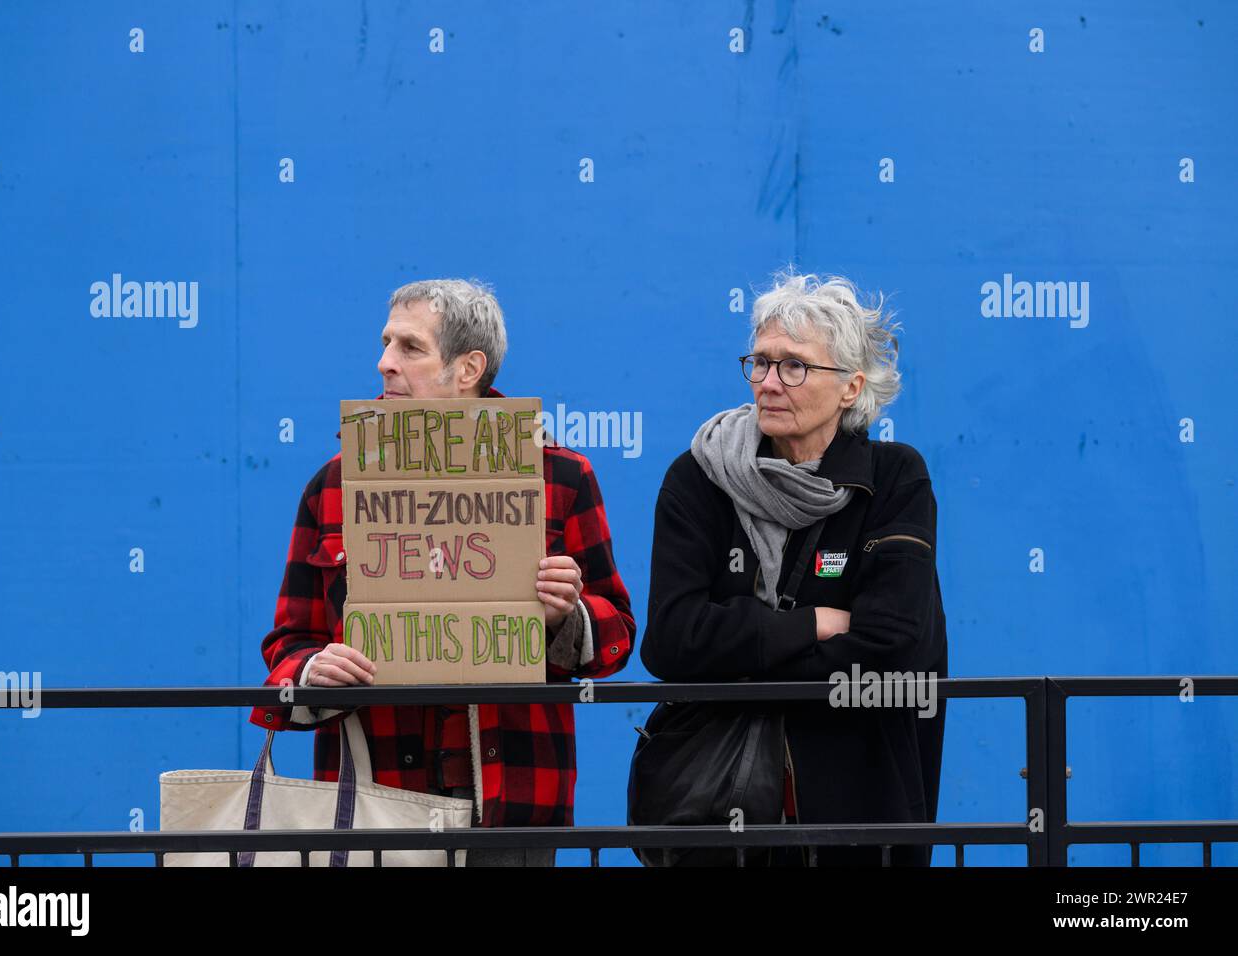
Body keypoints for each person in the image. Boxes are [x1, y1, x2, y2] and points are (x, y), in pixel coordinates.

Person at [249, 278, 635, 866]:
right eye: (385, 344)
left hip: (513, 814)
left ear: (468, 368)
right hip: (374, 810)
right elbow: (288, 641)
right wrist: (312, 668)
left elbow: (617, 635)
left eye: (410, 348)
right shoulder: (334, 485)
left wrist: (567, 613)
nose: (384, 365)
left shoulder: (560, 477)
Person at [640, 270, 948, 866]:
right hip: (716, 818)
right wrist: (812, 626)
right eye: (760, 362)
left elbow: (893, 644)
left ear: (850, 388)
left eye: (794, 365)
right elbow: (672, 640)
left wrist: (740, 664)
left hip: (857, 810)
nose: (769, 382)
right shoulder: (698, 476)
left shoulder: (893, 478)